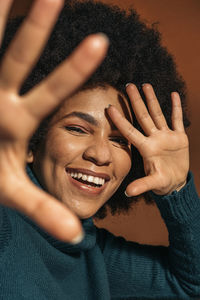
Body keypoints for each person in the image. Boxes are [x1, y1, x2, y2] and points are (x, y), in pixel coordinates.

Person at [0, 0, 199, 299]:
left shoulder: (94, 255)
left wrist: (178, 191)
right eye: (77, 129)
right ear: (31, 139)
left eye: (120, 140)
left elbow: (190, 284)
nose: (101, 154)